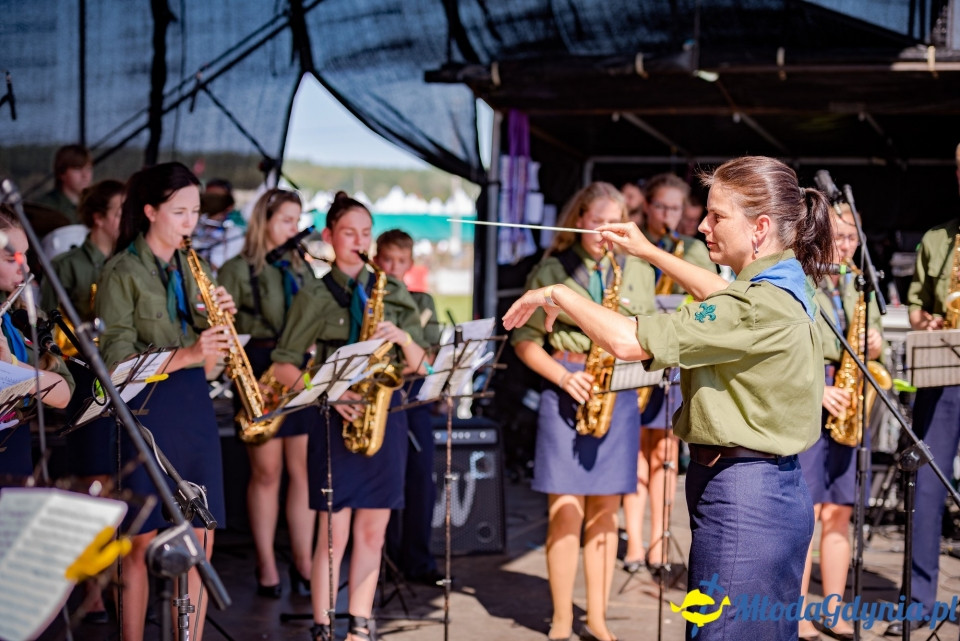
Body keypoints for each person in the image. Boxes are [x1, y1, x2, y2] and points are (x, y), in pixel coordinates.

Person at [504, 156, 833, 641]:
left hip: (743, 497)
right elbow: (722, 292)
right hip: (763, 490)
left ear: (760, 227)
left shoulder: (757, 306)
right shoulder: (785, 281)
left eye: (717, 216)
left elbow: (627, 341)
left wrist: (559, 294)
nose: (701, 226)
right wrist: (649, 252)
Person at [269, 192, 427, 641]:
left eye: (364, 233)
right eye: (348, 233)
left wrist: (401, 336)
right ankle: (323, 623)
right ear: (329, 237)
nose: (357, 241)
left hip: (385, 417)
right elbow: (283, 365)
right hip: (335, 418)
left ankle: (359, 623)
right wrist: (327, 392)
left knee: (374, 532)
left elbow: (420, 364)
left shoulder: (393, 289)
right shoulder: (315, 292)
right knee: (333, 533)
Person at [95, 161, 235, 641]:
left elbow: (210, 361)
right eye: (180, 212)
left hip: (193, 405)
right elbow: (115, 364)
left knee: (200, 540)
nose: (190, 223)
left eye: (195, 212)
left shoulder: (192, 268)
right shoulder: (121, 271)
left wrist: (218, 326)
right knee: (139, 544)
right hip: (146, 411)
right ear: (151, 211)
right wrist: (189, 352)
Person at [510, 182, 655, 641]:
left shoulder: (636, 271)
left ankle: (598, 617)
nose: (603, 232)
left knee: (605, 514)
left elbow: (647, 336)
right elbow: (525, 342)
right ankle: (560, 619)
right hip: (566, 387)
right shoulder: (553, 268)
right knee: (566, 511)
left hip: (618, 395)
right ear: (578, 220)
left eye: (613, 224)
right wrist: (562, 377)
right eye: (596, 221)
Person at [217, 188, 317, 599]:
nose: (295, 229)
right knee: (267, 472)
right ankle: (266, 564)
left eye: (297, 221)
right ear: (265, 222)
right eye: (287, 221)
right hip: (258, 367)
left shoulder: (302, 267)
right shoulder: (236, 269)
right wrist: (247, 378)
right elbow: (225, 334)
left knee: (303, 472)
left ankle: (305, 562)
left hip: (297, 368)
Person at [39, 178, 124, 625]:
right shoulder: (68, 265)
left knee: (121, 481)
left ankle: (117, 587)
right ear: (98, 217)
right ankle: (92, 590)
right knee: (93, 485)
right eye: (119, 210)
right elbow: (46, 336)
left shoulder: (131, 263)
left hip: (123, 382)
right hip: (80, 382)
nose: (126, 218)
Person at [797, 205, 883, 641]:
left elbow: (876, 341)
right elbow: (785, 351)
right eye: (839, 236)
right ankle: (792, 612)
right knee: (806, 513)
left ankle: (833, 610)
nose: (847, 246)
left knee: (839, 513)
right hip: (815, 390)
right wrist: (818, 390)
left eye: (853, 237)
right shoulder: (803, 280)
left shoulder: (856, 283)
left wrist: (876, 341)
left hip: (848, 398)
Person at [621, 173, 712, 576]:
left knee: (665, 456)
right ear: (647, 206)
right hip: (639, 354)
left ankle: (659, 543)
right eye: (661, 207)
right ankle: (634, 547)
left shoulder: (691, 249)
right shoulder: (633, 246)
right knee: (636, 453)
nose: (668, 215)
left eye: (675, 208)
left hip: (672, 358)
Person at [888, 141, 960, 637]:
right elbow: (913, 303)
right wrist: (925, 319)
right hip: (943, 375)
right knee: (926, 492)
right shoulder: (937, 239)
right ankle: (917, 605)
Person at [377, 229, 444, 587]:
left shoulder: (422, 302)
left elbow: (429, 360)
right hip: (379, 397)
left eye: (400, 261)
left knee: (420, 478)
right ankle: (382, 559)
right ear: (376, 260)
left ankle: (418, 560)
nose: (393, 267)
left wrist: (411, 361)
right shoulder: (371, 297)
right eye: (387, 259)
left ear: (410, 263)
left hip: (413, 395)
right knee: (384, 478)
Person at [0, 205, 75, 477]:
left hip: (14, 443)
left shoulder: (30, 317)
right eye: (12, 260)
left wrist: (12, 366)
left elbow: (63, 394)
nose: (26, 268)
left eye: (26, 256)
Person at [34, 145, 94, 224]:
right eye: (77, 168)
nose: (85, 175)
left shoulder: (95, 205)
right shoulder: (45, 206)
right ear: (61, 173)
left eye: (88, 168)